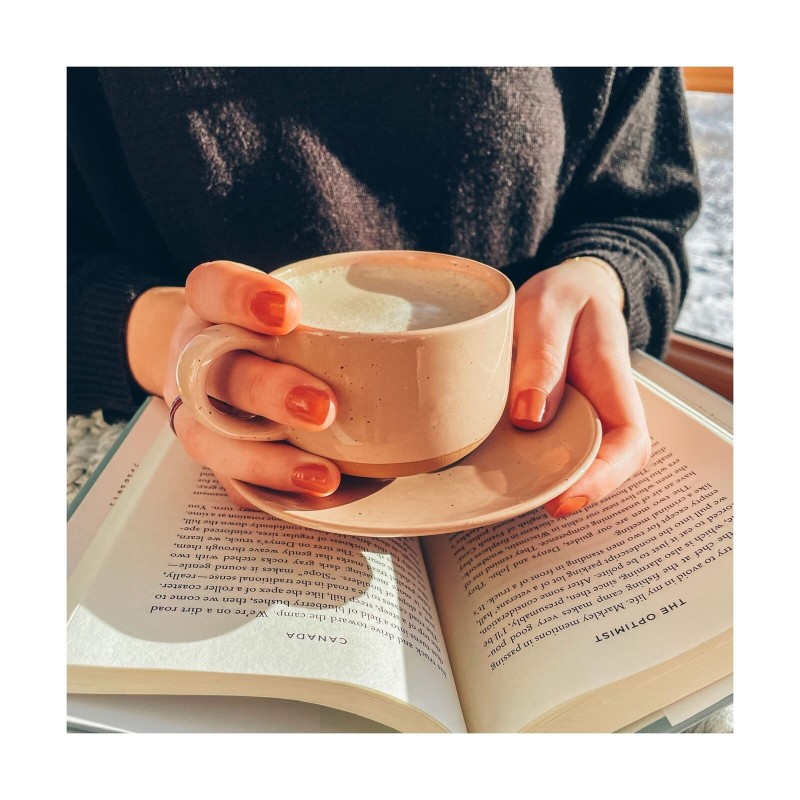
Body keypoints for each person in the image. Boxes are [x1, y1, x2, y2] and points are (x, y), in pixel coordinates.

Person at [67, 67, 700, 516]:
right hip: (183, 466)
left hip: (518, 432)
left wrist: (599, 276)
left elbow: (642, 210)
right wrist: (164, 335)